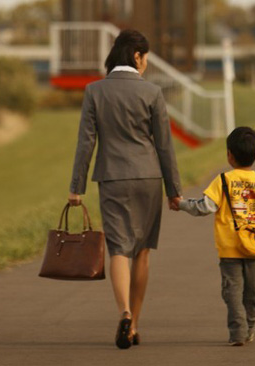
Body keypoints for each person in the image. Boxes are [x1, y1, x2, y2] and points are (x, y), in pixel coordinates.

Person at [68, 30, 182, 350]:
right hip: (148, 178)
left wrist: (76, 188)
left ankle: (124, 313)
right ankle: (135, 326)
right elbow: (164, 146)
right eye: (145, 57)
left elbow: (85, 143)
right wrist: (174, 190)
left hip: (112, 178)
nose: (146, 63)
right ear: (137, 56)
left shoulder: (94, 91)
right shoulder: (152, 93)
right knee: (142, 252)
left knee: (119, 249)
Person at [175, 127, 255, 347]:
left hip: (229, 248)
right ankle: (249, 327)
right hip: (254, 248)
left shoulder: (222, 181)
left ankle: (237, 331)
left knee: (232, 290)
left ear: (229, 155)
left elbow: (204, 207)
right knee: (252, 290)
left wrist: (182, 204)